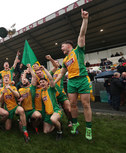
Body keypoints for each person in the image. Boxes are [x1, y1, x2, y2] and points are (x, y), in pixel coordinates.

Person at [54, 9, 93, 140]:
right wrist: (55, 81)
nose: (61, 48)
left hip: (82, 80)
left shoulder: (78, 50)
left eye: (62, 46)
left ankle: (88, 128)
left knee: (86, 105)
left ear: (68, 45)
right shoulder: (65, 60)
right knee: (73, 105)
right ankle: (75, 124)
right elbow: (62, 73)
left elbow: (82, 35)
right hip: (71, 82)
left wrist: (85, 19)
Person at [0, 76, 30, 142]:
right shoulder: (1, 89)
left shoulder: (13, 87)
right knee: (7, 128)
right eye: (5, 78)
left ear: (10, 80)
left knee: (21, 110)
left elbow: (18, 96)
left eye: (7, 78)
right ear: (3, 81)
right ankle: (1, 123)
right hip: (8, 109)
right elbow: (0, 101)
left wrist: (10, 89)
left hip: (15, 107)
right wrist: (3, 93)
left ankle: (25, 130)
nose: (6, 79)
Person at [39, 66, 63, 140]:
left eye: (43, 82)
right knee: (46, 131)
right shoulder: (42, 92)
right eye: (40, 83)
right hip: (47, 114)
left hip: (56, 111)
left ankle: (59, 132)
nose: (42, 83)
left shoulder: (51, 88)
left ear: (47, 83)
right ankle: (56, 124)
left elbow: (50, 78)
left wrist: (44, 70)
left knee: (53, 119)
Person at [18, 64, 41, 134]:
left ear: (29, 81)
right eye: (23, 80)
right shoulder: (20, 90)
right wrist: (19, 101)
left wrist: (30, 68)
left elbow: (34, 77)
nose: (24, 80)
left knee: (38, 116)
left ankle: (34, 125)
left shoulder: (31, 88)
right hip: (23, 112)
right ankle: (24, 121)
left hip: (31, 110)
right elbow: (18, 102)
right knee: (21, 130)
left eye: (26, 79)